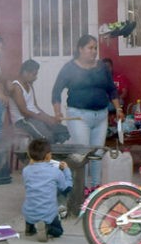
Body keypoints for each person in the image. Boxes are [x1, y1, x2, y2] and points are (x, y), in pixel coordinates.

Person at [52, 34, 124, 188]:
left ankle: (96, 187)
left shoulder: (101, 67)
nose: (94, 51)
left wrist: (118, 109)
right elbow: (56, 92)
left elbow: (111, 90)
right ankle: (81, 189)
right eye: (90, 48)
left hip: (101, 116)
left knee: (97, 154)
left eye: (95, 48)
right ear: (80, 49)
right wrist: (58, 112)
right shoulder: (69, 68)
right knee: (82, 154)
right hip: (79, 116)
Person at [21, 138, 73, 242]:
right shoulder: (55, 172)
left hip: (28, 212)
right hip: (47, 214)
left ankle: (29, 228)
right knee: (59, 231)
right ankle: (46, 228)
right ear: (49, 156)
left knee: (34, 200)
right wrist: (66, 170)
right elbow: (66, 187)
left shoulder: (26, 170)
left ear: (30, 155)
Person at [9, 59, 70, 144]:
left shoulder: (29, 85)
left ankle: (52, 153)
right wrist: (46, 120)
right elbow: (24, 112)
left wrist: (49, 118)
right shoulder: (16, 87)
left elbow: (35, 107)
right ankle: (46, 155)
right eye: (34, 75)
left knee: (63, 131)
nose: (35, 77)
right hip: (23, 121)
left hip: (34, 117)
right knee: (46, 138)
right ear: (25, 72)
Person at [102, 58, 129, 125]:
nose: (107, 69)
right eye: (105, 67)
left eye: (109, 66)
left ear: (112, 66)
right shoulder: (100, 79)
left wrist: (116, 99)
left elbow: (124, 93)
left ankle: (113, 120)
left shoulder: (120, 77)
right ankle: (108, 121)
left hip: (118, 100)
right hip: (105, 101)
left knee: (119, 102)